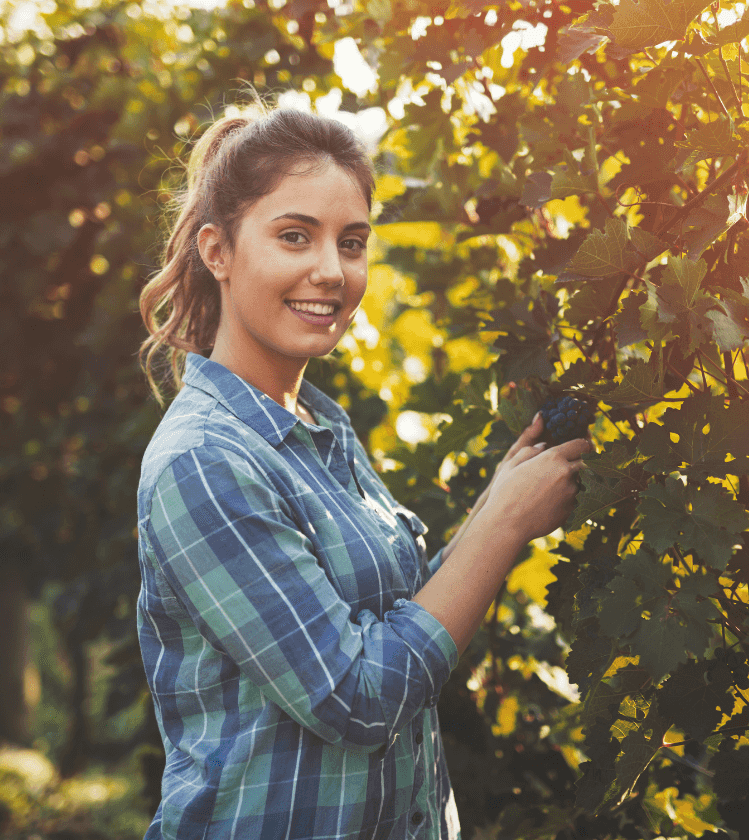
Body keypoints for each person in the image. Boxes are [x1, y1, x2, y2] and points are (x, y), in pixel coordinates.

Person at [134, 105, 592, 838]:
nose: (331, 271)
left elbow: (394, 623)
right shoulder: (205, 463)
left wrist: (503, 499)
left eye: (351, 243)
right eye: (294, 236)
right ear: (216, 250)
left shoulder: (319, 427)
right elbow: (357, 696)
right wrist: (502, 528)